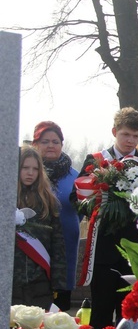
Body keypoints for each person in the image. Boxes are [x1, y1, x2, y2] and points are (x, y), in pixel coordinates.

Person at [75, 107, 138, 329]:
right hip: (103, 250)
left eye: (135, 136)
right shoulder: (96, 160)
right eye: (125, 135)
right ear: (114, 132)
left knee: (130, 316)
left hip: (134, 251)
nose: (130, 141)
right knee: (100, 314)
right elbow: (77, 198)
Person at [31, 121, 78, 311]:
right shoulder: (28, 173)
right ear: (35, 145)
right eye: (45, 141)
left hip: (66, 247)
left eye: (55, 141)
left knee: (60, 310)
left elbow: (80, 209)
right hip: (34, 246)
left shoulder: (75, 176)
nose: (51, 145)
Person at [14, 146, 67, 309]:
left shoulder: (48, 202)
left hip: (39, 281)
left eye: (35, 169)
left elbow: (57, 243)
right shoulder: (7, 198)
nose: (30, 172)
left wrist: (58, 282)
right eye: (25, 168)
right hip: (11, 279)